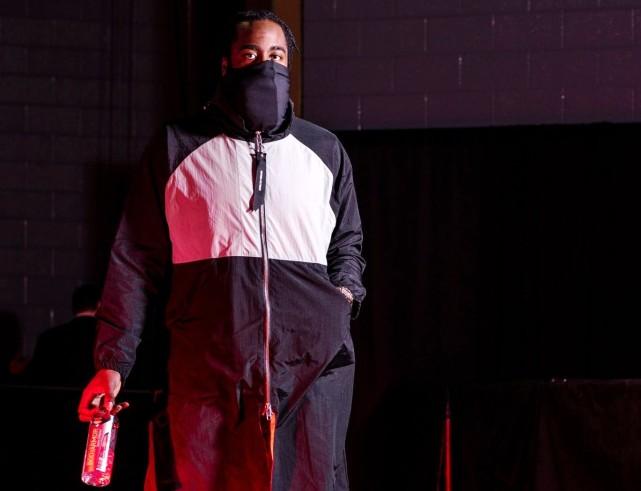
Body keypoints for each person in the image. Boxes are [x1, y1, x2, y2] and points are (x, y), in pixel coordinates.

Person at [78, 9, 365, 491]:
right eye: (251, 55)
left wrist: (343, 296)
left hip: (311, 365)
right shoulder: (177, 147)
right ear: (226, 64)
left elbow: (348, 242)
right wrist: (112, 363)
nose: (266, 66)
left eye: (277, 56)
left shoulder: (324, 150)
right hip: (208, 366)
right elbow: (135, 260)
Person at [27, 283, 100, 386]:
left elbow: (35, 378)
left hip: (56, 395)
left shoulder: (48, 338)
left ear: (74, 306)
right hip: (96, 395)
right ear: (99, 304)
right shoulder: (108, 339)